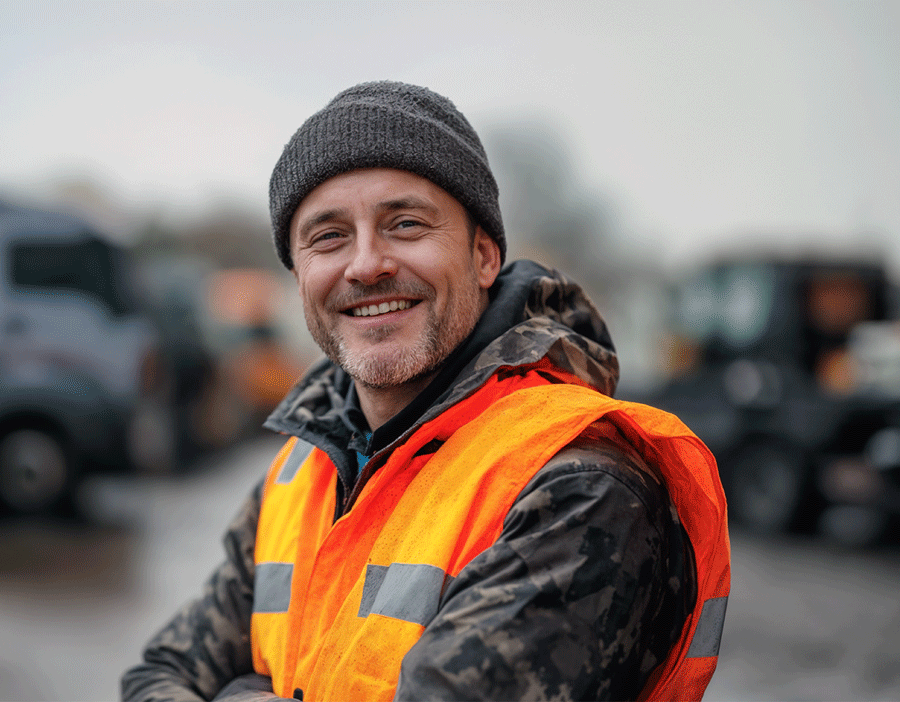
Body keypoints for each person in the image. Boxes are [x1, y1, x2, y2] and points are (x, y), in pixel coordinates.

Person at [122, 81, 730, 702]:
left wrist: (237, 694)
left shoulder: (580, 484)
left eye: (406, 224)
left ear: (484, 256)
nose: (366, 265)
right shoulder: (299, 474)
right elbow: (155, 678)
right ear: (299, 276)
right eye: (328, 236)